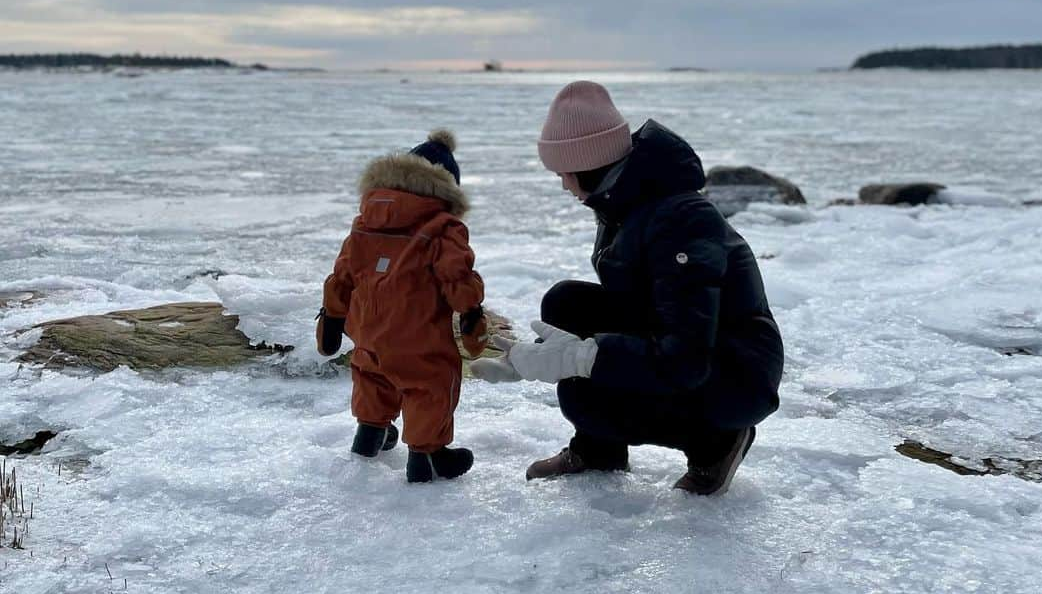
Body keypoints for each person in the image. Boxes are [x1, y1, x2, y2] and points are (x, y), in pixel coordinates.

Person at [473, 83, 783, 495]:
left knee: (585, 386)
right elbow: (637, 307)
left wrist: (582, 357)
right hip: (686, 344)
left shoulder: (681, 221)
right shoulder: (625, 201)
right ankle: (598, 450)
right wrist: (529, 358)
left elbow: (686, 358)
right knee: (566, 304)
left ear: (590, 165)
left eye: (563, 172)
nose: (563, 184)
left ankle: (716, 444)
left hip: (734, 373)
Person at [317, 129, 488, 483]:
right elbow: (457, 280)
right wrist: (472, 313)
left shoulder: (365, 224)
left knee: (372, 375)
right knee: (430, 384)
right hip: (418, 336)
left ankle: (368, 436)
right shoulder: (444, 228)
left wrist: (332, 321)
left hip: (368, 331)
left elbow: (341, 276)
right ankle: (425, 457)